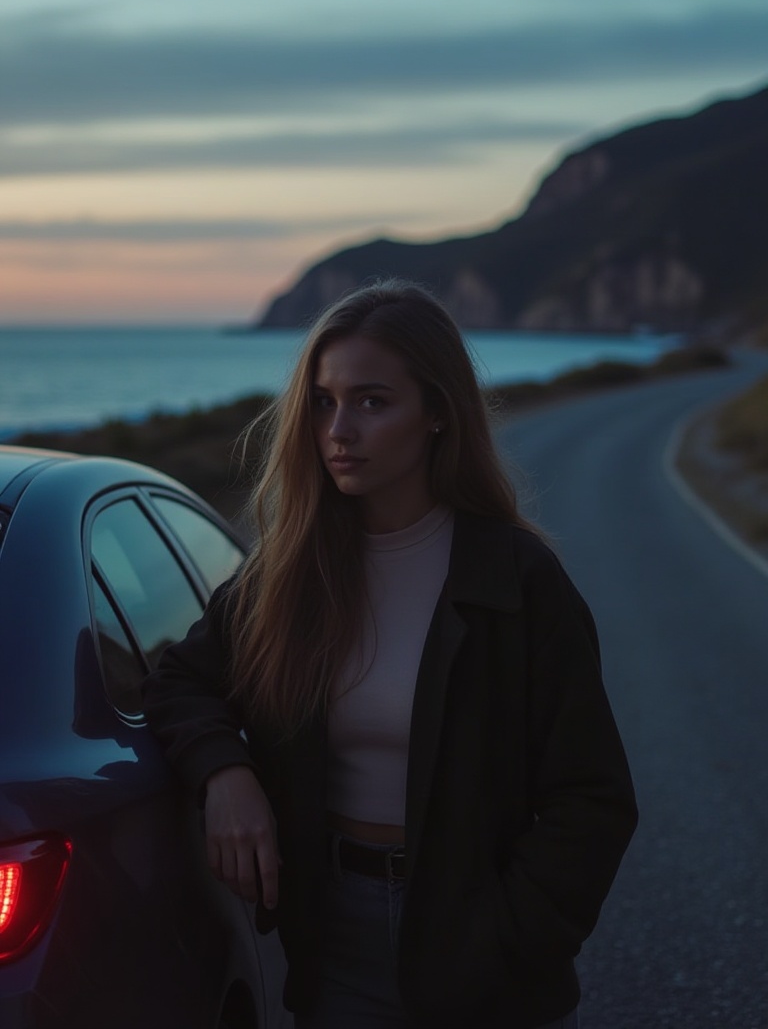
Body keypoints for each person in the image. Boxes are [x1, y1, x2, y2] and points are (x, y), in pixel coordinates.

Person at [142, 278, 637, 1029]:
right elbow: (181, 679)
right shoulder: (288, 575)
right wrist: (227, 772)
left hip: (483, 951)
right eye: (324, 401)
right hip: (332, 939)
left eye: (373, 401)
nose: (340, 429)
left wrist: (510, 939)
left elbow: (593, 798)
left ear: (438, 413)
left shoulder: (517, 579)